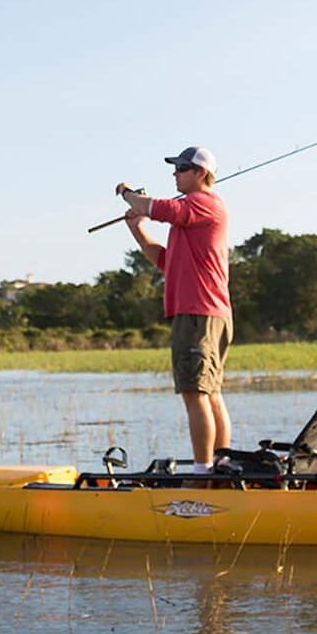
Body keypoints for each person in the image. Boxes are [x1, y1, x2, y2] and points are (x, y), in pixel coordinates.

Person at [116, 147, 233, 473]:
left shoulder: (202, 203)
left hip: (199, 313)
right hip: (206, 313)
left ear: (200, 174)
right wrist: (136, 227)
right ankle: (221, 465)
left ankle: (202, 472)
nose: (175, 174)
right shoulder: (190, 216)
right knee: (208, 393)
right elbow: (165, 260)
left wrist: (128, 195)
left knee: (195, 393)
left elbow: (159, 208)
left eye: (182, 168)